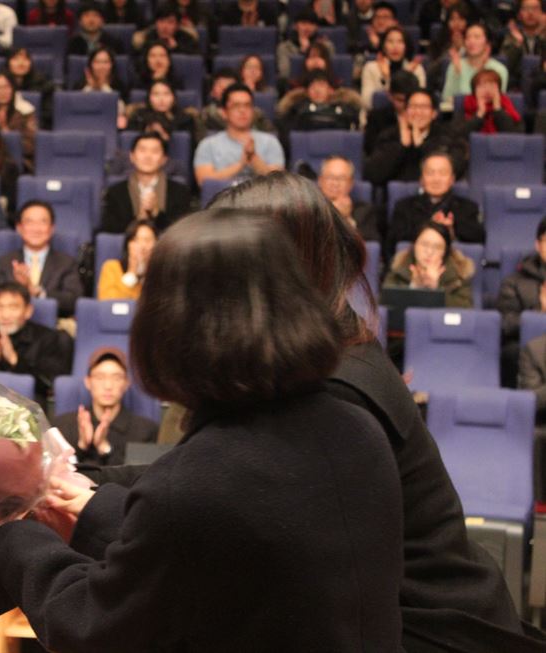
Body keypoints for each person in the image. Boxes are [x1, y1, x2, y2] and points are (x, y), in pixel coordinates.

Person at [0, 209, 405, 652]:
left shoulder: (196, 484)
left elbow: (92, 627)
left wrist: (6, 533)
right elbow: (222, 541)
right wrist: (89, 507)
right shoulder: (359, 428)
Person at [207, 170, 546, 653]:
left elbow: (230, 513)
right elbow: (208, 476)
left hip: (436, 635)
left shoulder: (339, 387)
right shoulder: (324, 355)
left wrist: (93, 510)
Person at [0, 281, 73, 403]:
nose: (5, 315)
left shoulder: (46, 337)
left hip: (29, 405)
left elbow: (49, 384)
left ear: (28, 311)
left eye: (13, 307)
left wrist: (14, 360)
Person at [52, 347, 158, 466]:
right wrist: (82, 446)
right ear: (88, 382)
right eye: (100, 377)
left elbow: (140, 476)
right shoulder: (63, 425)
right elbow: (55, 474)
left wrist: (105, 448)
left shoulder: (145, 430)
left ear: (126, 383)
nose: (108, 385)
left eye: (117, 378)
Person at [0, 201, 84, 317]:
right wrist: (19, 287)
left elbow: (73, 300)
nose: (36, 228)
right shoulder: (5, 262)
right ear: (19, 228)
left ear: (51, 228)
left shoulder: (66, 262)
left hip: (55, 325)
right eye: (29, 222)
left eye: (42, 222)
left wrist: (38, 292)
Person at [386, 150, 484, 257]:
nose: (436, 179)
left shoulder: (468, 208)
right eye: (430, 173)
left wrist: (452, 231)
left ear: (452, 179)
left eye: (442, 173)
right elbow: (392, 244)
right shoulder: (404, 207)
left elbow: (479, 239)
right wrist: (430, 227)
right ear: (421, 179)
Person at [364, 89, 467, 185]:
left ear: (434, 113)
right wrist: (402, 146)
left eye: (424, 107)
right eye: (413, 107)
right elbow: (373, 175)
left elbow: (456, 170)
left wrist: (421, 146)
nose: (418, 112)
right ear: (405, 111)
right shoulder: (390, 135)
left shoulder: (449, 136)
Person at [194, 83, 285, 184]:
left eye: (247, 105)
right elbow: (204, 182)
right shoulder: (208, 145)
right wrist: (240, 165)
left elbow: (278, 183)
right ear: (224, 112)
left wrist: (253, 157)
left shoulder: (270, 142)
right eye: (236, 106)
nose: (242, 110)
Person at [101, 133, 192, 234]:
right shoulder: (115, 192)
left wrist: (157, 214)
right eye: (142, 150)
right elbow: (109, 231)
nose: (148, 156)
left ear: (164, 159)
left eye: (155, 151)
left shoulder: (180, 192)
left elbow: (183, 232)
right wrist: (139, 219)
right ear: (132, 156)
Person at [497, 216, 546, 385]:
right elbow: (505, 324)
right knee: (511, 352)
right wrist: (538, 311)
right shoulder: (515, 282)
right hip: (527, 349)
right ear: (538, 244)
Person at [383, 221, 475, 308]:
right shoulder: (399, 268)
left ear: (445, 252)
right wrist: (414, 287)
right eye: (424, 244)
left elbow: (465, 311)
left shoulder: (459, 274)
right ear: (414, 245)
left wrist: (435, 291)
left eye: (437, 247)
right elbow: (384, 307)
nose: (429, 252)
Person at [441, 23, 509, 110]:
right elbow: (447, 99)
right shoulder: (456, 65)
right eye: (468, 37)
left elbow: (497, 101)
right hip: (461, 116)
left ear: (487, 43)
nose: (471, 41)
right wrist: (457, 73)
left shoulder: (499, 69)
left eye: (477, 37)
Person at [275, 69, 361, 134]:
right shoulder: (296, 110)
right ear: (307, 92)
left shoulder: (346, 110)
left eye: (321, 85)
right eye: (312, 87)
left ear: (331, 90)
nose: (317, 90)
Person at [360, 26, 426, 109]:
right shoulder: (371, 68)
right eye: (390, 41)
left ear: (406, 46)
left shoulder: (416, 69)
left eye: (400, 42)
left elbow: (421, 102)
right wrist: (386, 79)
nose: (395, 46)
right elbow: (367, 102)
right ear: (383, 46)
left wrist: (405, 75)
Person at [317, 155, 381, 241]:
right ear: (320, 180)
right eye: (330, 177)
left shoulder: (365, 211)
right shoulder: (308, 209)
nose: (335, 183)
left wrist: (347, 218)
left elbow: (372, 246)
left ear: (351, 184)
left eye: (341, 178)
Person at [97, 219, 158, 300]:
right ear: (128, 245)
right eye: (136, 240)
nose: (142, 246)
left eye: (147, 240)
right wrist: (131, 273)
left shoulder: (160, 273)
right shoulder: (111, 268)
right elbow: (108, 304)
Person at [364, 69, 420, 156]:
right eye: (400, 100)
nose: (406, 105)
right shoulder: (376, 118)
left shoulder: (425, 117)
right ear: (390, 95)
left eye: (410, 100)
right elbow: (372, 150)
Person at [200, 68, 275, 132]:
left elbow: (271, 134)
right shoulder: (204, 116)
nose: (225, 89)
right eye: (220, 85)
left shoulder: (256, 115)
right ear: (212, 92)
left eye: (229, 86)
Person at [453, 68, 524, 135]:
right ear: (474, 90)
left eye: (492, 86)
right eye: (482, 86)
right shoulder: (467, 105)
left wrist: (497, 109)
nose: (487, 91)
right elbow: (460, 135)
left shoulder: (506, 104)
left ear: (498, 90)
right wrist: (480, 113)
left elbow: (514, 137)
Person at [125, 80, 198, 144]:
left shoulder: (185, 119)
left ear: (173, 97)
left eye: (166, 94)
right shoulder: (138, 117)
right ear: (149, 98)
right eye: (156, 94)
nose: (161, 99)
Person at [276, 8, 336, 82]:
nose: (307, 27)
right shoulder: (284, 47)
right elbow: (285, 73)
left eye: (311, 24)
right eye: (303, 23)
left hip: (323, 82)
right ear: (295, 26)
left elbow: (332, 71)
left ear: (316, 27)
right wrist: (303, 52)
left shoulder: (327, 46)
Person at [6, 48, 54, 127]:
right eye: (16, 59)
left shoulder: (44, 85)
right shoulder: (0, 85)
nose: (21, 63)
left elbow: (48, 115)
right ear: (8, 63)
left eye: (25, 59)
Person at [502, 0, 546, 87]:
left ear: (543, 13)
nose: (530, 13)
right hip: (518, 84)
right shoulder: (512, 36)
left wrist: (540, 34)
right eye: (526, 8)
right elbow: (505, 66)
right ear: (519, 15)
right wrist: (518, 43)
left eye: (535, 8)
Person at [132, 6, 198, 54]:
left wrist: (176, 48)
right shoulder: (149, 37)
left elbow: (195, 61)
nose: (164, 26)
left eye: (170, 22)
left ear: (177, 26)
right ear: (156, 23)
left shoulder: (187, 39)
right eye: (161, 21)